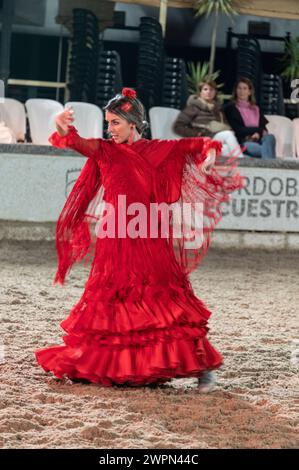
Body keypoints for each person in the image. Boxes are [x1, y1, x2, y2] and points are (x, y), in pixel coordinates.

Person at [35, 87, 245, 391]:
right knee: (114, 301)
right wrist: (60, 123)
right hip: (115, 240)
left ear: (133, 122)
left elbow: (197, 144)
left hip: (150, 238)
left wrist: (209, 152)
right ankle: (124, 367)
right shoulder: (104, 150)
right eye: (108, 123)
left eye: (115, 123)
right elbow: (75, 140)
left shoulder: (159, 149)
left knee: (166, 299)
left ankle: (202, 370)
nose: (110, 129)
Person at [173, 79, 244, 158]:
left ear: (215, 92)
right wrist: (196, 133)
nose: (208, 92)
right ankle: (243, 162)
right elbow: (178, 126)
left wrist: (229, 129)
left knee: (229, 148)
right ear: (200, 92)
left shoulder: (217, 108)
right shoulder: (193, 107)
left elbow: (224, 124)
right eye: (205, 89)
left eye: (211, 89)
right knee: (228, 135)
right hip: (201, 139)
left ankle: (241, 164)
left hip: (214, 138)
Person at [224, 77, 276, 160]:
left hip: (259, 141)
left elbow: (263, 129)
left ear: (249, 92)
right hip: (244, 142)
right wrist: (258, 130)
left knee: (270, 137)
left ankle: (268, 168)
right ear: (236, 91)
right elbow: (239, 130)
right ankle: (271, 167)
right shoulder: (231, 108)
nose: (242, 91)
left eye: (245, 88)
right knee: (266, 150)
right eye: (239, 88)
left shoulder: (256, 109)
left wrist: (258, 134)